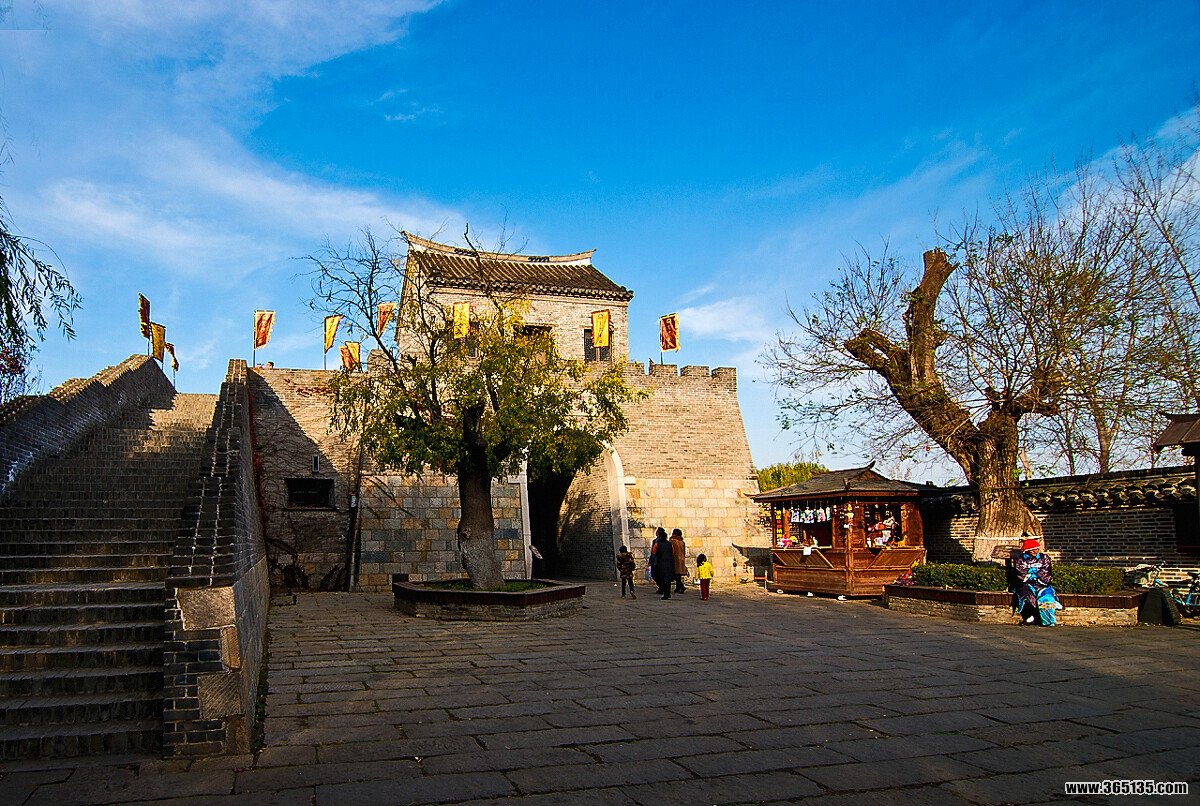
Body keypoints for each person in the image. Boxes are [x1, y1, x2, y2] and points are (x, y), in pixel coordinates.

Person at [1011, 535, 1063, 626]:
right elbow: (1020, 572)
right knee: (1027, 596)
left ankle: (1048, 620)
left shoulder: (1044, 558)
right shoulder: (1020, 559)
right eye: (1032, 549)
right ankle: (1031, 616)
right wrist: (1029, 576)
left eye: (1036, 549)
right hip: (1026, 584)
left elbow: (1046, 571)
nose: (1035, 551)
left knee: (1046, 598)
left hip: (1042, 584)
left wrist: (1035, 576)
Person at [649, 527, 674, 599]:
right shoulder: (669, 544)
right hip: (669, 563)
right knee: (668, 579)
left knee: (662, 578)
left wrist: (651, 562)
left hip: (660, 563)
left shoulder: (657, 544)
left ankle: (665, 593)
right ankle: (668, 593)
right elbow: (673, 552)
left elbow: (653, 553)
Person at [670, 528, 687, 593]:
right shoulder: (682, 542)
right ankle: (678, 588)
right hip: (681, 560)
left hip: (674, 559)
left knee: (674, 574)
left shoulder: (672, 541)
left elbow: (671, 550)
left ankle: (681, 587)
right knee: (678, 575)